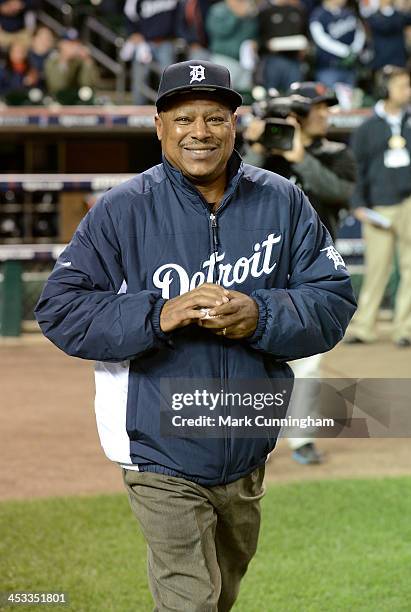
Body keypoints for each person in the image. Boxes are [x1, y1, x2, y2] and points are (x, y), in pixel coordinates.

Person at [34, 60, 356, 610]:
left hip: (246, 438)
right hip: (157, 444)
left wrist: (262, 314)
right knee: (189, 599)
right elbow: (60, 308)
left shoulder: (283, 200)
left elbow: (332, 299)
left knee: (221, 593)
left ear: (236, 123)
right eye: (183, 118)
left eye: (214, 117)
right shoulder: (121, 210)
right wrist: (159, 314)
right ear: (159, 126)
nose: (199, 132)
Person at [243, 81, 356, 463]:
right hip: (260, 266)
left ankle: (301, 438)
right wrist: (258, 147)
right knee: (251, 354)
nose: (325, 114)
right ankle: (250, 438)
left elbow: (339, 192)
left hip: (310, 269)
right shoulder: (262, 157)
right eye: (317, 108)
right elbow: (233, 186)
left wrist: (299, 155)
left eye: (327, 108)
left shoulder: (336, 153)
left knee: (307, 360)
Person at [347, 65, 411, 347]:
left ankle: (405, 329)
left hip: (409, 203)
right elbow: (355, 170)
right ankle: (364, 327)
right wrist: (358, 204)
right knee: (376, 270)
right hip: (378, 208)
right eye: (402, 86)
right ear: (386, 89)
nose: (407, 91)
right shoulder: (367, 129)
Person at [309, 0, 366, 88]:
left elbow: (360, 32)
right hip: (328, 68)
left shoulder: (349, 13)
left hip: (349, 68)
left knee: (350, 100)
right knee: (330, 99)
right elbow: (321, 40)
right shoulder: (318, 15)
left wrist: (355, 49)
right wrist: (346, 51)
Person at [44, 28, 98, 99]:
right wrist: (64, 60)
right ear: (61, 44)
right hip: (58, 99)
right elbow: (56, 86)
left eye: (75, 43)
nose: (73, 46)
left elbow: (87, 84)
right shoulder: (52, 61)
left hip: (78, 99)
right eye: (69, 43)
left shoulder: (81, 61)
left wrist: (87, 60)